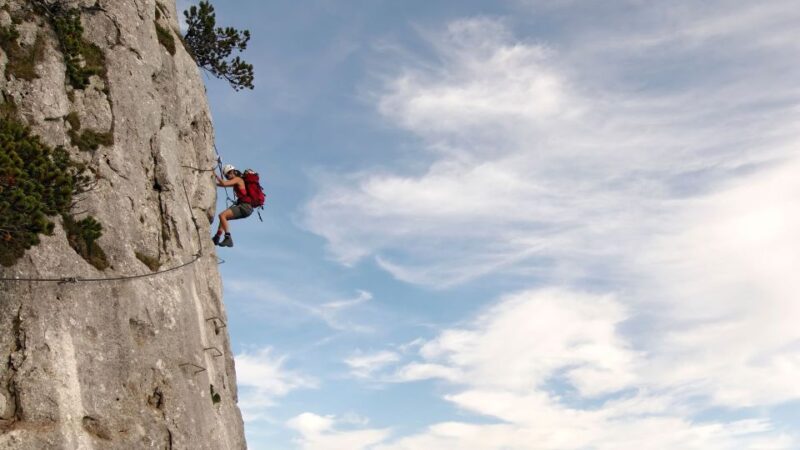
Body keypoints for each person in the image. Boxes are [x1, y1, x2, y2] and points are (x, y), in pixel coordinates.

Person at [212, 164, 253, 247]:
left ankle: (228, 238)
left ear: (232, 172)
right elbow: (223, 184)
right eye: (226, 176)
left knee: (222, 215)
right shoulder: (236, 182)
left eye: (227, 175)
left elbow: (223, 183)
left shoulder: (238, 179)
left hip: (245, 207)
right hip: (245, 207)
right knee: (224, 217)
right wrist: (214, 183)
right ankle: (217, 237)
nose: (227, 177)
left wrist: (215, 175)